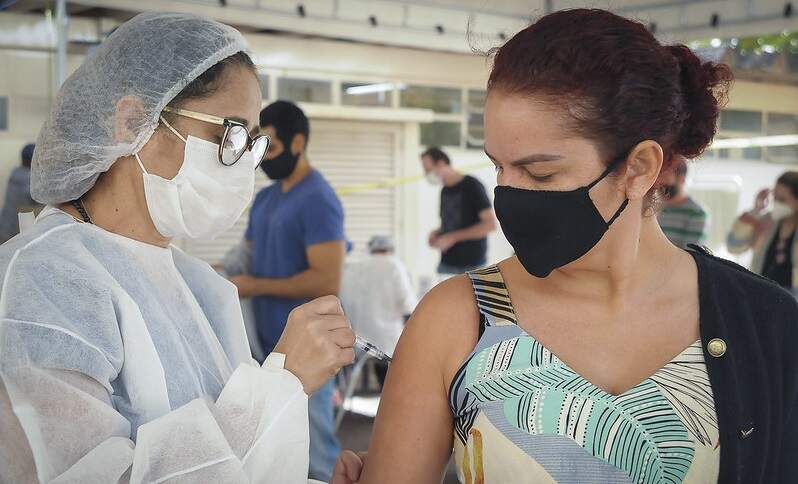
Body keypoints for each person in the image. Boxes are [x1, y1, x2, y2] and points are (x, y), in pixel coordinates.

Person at [334, 9, 798, 484]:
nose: (508, 196)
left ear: (638, 168)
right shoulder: (457, 320)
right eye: (498, 167)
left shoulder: (767, 324)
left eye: (539, 173)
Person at [0, 13, 355, 483]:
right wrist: (280, 384)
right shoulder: (42, 280)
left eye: (250, 142)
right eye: (229, 134)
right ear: (133, 122)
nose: (241, 163)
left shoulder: (200, 286)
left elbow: (232, 458)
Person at [230, 100, 346, 482]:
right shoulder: (265, 198)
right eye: (259, 148)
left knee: (315, 452)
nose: (264, 158)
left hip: (308, 345)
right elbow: (246, 256)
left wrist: (252, 286)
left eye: (272, 148)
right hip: (267, 345)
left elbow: (326, 281)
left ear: (298, 143)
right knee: (274, 447)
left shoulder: (318, 199)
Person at [340, 236, 416, 385]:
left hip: (356, 343)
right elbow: (408, 307)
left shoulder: (354, 267)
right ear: (391, 250)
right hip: (388, 343)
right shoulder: (394, 265)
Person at [422, 147, 496, 274]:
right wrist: (437, 233)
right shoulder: (444, 191)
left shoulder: (472, 186)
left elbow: (489, 225)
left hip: (471, 265)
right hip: (447, 263)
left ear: (440, 164)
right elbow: (450, 225)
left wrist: (453, 237)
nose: (426, 173)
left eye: (428, 169)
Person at [727, 171, 798, 290]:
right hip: (762, 293)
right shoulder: (766, 221)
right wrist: (756, 211)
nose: (776, 203)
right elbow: (733, 246)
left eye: (782, 199)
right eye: (775, 197)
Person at [657, 157, 709, 248]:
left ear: (681, 178)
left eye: (665, 176)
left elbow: (691, 253)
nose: (660, 182)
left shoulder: (697, 213)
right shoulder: (654, 209)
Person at [0, 143, 42, 243]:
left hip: (5, 226)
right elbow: (39, 199)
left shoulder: (15, 172)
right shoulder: (29, 178)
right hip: (15, 233)